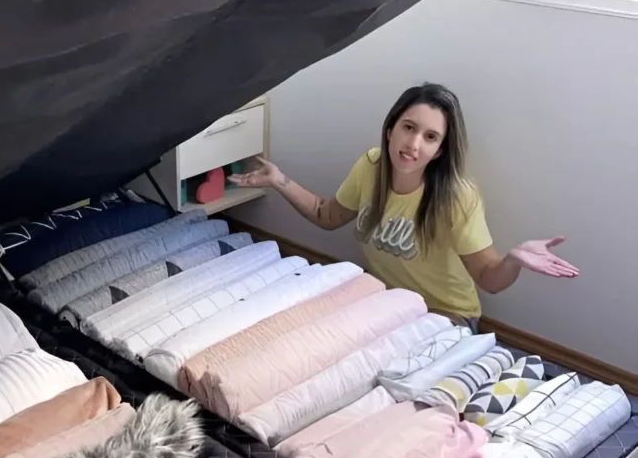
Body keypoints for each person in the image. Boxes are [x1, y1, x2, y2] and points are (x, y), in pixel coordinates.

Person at [228, 82, 578, 330]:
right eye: (408, 127)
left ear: (440, 150)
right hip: (383, 302)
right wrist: (278, 180)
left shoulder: (456, 196)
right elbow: (327, 214)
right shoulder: (371, 166)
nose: (413, 144)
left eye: (430, 137)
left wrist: (514, 259)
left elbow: (490, 279)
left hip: (445, 315)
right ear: (391, 127)